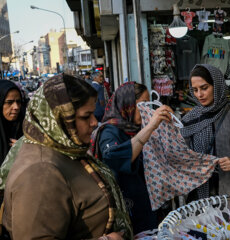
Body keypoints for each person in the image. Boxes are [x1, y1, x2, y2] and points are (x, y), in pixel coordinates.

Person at [2, 75, 132, 239]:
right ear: (59, 119)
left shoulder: (64, 150)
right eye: (86, 116)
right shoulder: (40, 172)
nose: (94, 122)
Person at [90, 81, 173, 234]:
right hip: (129, 209)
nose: (146, 109)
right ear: (127, 105)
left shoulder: (136, 128)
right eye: (142, 105)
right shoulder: (109, 131)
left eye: (148, 104)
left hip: (146, 205)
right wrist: (150, 127)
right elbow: (113, 158)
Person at [180, 64, 230, 200]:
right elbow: (182, 153)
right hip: (201, 195)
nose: (199, 94)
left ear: (217, 86)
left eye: (204, 88)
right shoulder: (189, 119)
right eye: (195, 90)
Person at [0, 80, 25, 165]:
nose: (16, 107)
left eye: (18, 102)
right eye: (9, 102)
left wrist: (26, 149)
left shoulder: (27, 127)